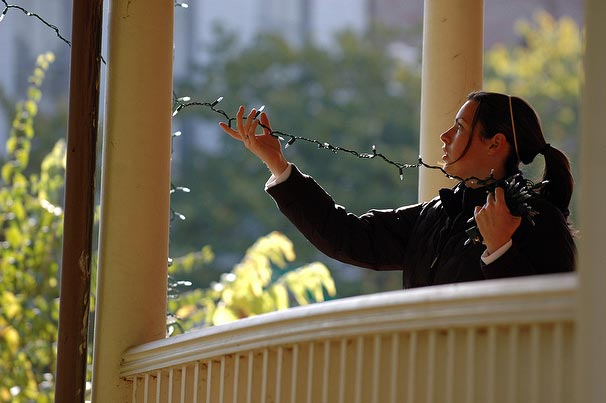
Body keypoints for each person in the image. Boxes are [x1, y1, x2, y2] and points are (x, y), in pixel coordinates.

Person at [219, 91, 576, 288]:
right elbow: (349, 236)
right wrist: (278, 165)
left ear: (495, 144)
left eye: (459, 127)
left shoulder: (538, 218)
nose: (444, 136)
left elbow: (554, 319)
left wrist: (501, 251)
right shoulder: (436, 214)